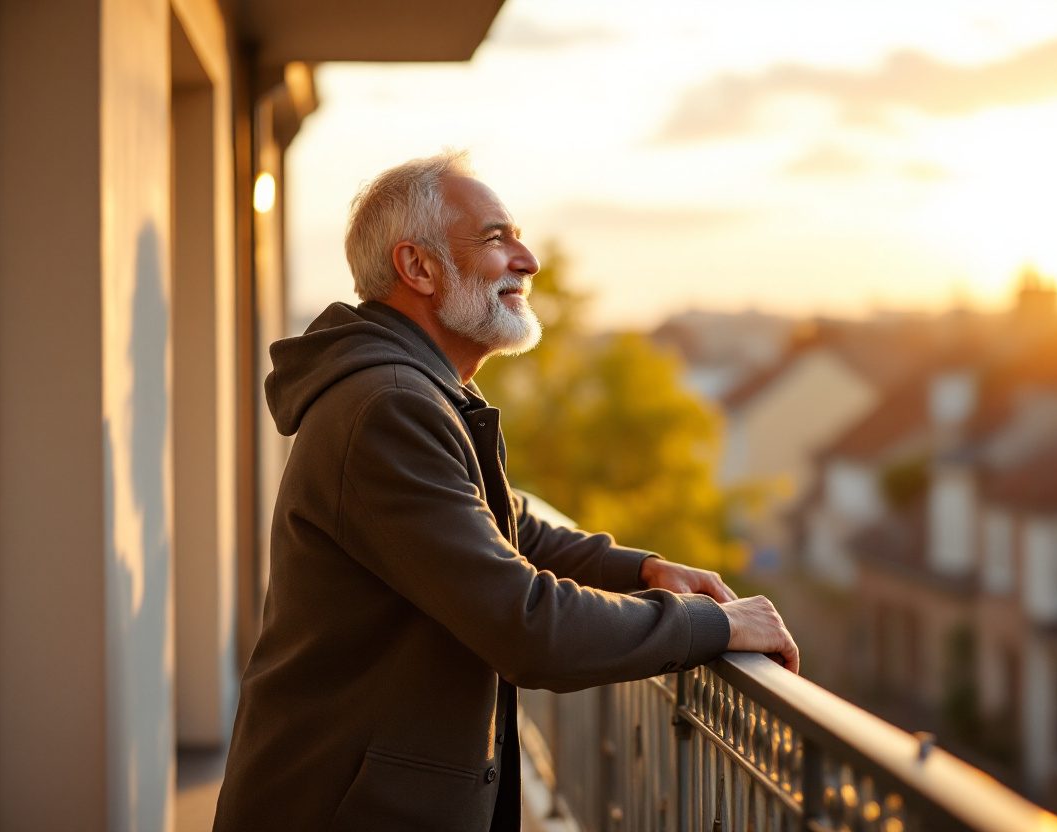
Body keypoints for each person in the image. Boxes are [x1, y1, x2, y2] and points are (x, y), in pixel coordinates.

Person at [212, 151, 798, 832]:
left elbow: (503, 523)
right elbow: (526, 626)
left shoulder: (418, 391)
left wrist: (640, 569)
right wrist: (717, 624)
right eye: (496, 238)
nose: (528, 260)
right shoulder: (389, 409)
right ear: (419, 268)